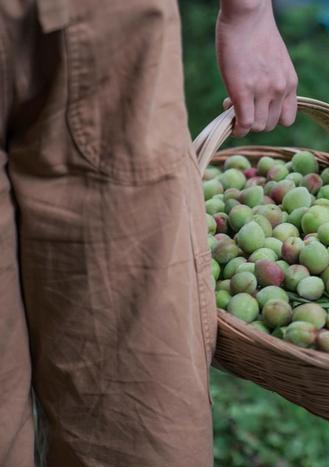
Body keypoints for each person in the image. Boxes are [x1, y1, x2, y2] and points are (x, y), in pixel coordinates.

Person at [0, 0, 297, 465]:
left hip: (94, 30)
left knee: (131, 408)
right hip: (97, 28)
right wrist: (249, 12)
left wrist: (248, 12)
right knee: (131, 403)